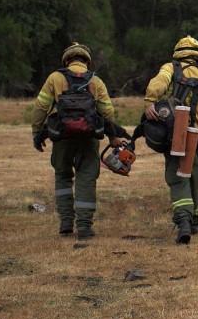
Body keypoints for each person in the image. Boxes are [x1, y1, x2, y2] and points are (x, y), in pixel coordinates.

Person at [32, 42, 127, 239]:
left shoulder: (55, 78)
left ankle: (66, 222)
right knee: (86, 177)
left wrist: (37, 133)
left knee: (63, 176)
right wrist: (113, 136)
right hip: (89, 138)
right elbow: (107, 111)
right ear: (86, 61)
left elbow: (41, 107)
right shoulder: (95, 81)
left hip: (62, 137)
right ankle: (84, 226)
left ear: (67, 60)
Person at [144, 36, 198, 244]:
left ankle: (183, 221)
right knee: (196, 176)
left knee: (177, 176)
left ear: (178, 52)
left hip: (175, 135)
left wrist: (150, 101)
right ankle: (196, 220)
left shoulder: (171, 68)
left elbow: (157, 84)